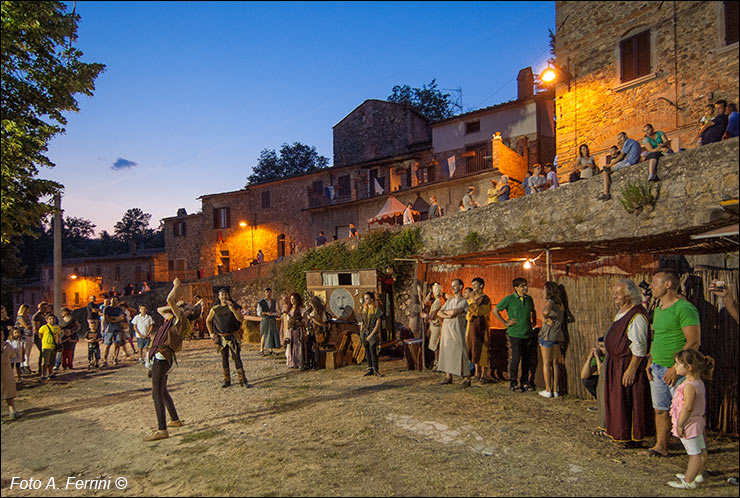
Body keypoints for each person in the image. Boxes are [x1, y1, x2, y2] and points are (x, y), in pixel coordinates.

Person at [639, 269, 701, 458]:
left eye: (655, 282)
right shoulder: (659, 309)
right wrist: (650, 360)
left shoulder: (684, 308)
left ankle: (696, 454)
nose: (651, 286)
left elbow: (693, 342)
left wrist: (676, 368)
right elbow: (657, 337)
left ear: (668, 285)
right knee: (660, 409)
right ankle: (661, 446)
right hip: (657, 367)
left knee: (683, 411)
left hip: (677, 370)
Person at [601, 279, 653, 445]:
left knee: (629, 400)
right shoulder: (623, 312)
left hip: (627, 363)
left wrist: (631, 370)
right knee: (618, 401)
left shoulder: (636, 316)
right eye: (614, 292)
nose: (615, 296)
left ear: (630, 295)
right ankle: (620, 432)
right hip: (615, 363)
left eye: (619, 292)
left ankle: (633, 436)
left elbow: (639, 346)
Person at [144, 278, 189, 442]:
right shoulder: (172, 320)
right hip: (162, 357)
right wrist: (176, 305)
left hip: (162, 357)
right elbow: (160, 309)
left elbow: (169, 300)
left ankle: (162, 429)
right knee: (162, 391)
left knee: (156, 392)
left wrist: (176, 287)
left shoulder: (181, 320)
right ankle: (175, 420)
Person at [666, 349, 714, 489]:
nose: (675, 367)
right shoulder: (697, 382)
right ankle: (697, 474)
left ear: (688, 367)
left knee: (694, 454)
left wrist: (680, 424)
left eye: (677, 364)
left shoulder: (689, 387)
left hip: (689, 423)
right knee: (701, 449)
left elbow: (687, 408)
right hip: (697, 422)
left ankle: (688, 481)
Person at [494, 278, 536, 392]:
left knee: (526, 359)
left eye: (526, 285)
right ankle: (513, 383)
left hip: (527, 333)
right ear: (516, 288)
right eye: (522, 286)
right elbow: (495, 310)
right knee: (516, 358)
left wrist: (534, 321)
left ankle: (525, 382)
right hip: (515, 333)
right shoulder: (510, 299)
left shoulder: (529, 299)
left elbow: (533, 310)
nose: (525, 288)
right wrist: (505, 322)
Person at [206, 288, 251, 388]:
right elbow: (208, 320)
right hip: (221, 338)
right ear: (219, 296)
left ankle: (242, 380)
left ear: (228, 296)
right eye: (222, 294)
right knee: (224, 358)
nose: (224, 296)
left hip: (233, 336)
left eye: (225, 294)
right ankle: (227, 380)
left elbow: (240, 319)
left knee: (236, 357)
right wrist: (211, 333)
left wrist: (232, 310)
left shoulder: (234, 307)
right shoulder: (215, 309)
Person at [436, 279, 471, 387]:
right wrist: (448, 315)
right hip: (447, 329)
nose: (452, 288)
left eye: (455, 286)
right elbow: (439, 312)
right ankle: (448, 376)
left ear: (460, 287)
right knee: (447, 351)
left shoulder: (463, 301)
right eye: (452, 286)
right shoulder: (450, 301)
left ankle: (466, 378)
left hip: (457, 330)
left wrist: (447, 313)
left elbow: (455, 312)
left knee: (460, 351)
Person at [538, 282, 566, 398]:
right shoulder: (561, 304)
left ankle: (548, 389)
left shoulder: (550, 302)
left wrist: (545, 319)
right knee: (555, 363)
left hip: (548, 335)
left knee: (546, 363)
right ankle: (555, 390)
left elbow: (545, 312)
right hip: (558, 335)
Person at [597, 132, 641, 201]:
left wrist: (609, 165)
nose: (620, 140)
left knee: (605, 172)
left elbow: (621, 156)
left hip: (629, 162)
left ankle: (606, 192)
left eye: (621, 137)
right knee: (606, 171)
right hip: (631, 161)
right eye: (618, 139)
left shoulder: (628, 141)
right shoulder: (633, 142)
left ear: (626, 136)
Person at [466, 278, 494, 384]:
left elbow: (480, 312)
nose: (473, 287)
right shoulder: (471, 298)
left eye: (475, 284)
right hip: (472, 327)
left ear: (481, 286)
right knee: (473, 348)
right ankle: (477, 374)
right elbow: (468, 313)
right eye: (472, 284)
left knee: (483, 350)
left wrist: (473, 303)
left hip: (481, 328)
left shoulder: (485, 299)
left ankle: (484, 375)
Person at [360, 292, 383, 377]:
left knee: (373, 351)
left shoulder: (377, 310)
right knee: (367, 351)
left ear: (372, 299)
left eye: (367, 298)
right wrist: (361, 330)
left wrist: (371, 335)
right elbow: (362, 321)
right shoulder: (364, 310)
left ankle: (375, 369)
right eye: (365, 298)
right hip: (364, 333)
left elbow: (378, 325)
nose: (365, 300)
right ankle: (370, 368)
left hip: (372, 333)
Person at [581, 337, 606, 416]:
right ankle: (601, 404)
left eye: (602, 346)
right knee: (587, 381)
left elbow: (602, 373)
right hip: (604, 381)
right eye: (599, 346)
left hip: (612, 382)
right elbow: (584, 375)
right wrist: (590, 357)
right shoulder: (599, 356)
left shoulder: (611, 357)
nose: (599, 349)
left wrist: (598, 358)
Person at [305, 296, 330, 371]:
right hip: (310, 331)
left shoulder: (321, 312)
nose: (310, 304)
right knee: (308, 347)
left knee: (316, 349)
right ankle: (308, 363)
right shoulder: (310, 310)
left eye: (312, 303)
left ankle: (316, 365)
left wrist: (312, 319)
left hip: (317, 332)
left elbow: (323, 323)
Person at [424, 283, 444, 370]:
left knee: (435, 345)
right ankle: (436, 363)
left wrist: (425, 316)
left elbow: (432, 316)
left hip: (436, 326)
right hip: (433, 325)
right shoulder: (435, 301)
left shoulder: (438, 302)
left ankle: (437, 363)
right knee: (433, 345)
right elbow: (425, 302)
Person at [102, 297, 126, 367]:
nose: (114, 302)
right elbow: (106, 318)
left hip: (118, 329)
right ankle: (105, 359)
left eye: (116, 300)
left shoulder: (119, 309)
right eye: (113, 300)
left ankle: (115, 358)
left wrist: (113, 318)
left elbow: (122, 317)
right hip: (109, 329)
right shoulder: (107, 309)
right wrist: (116, 319)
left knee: (117, 344)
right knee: (107, 344)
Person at [257, 288, 280, 356]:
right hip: (265, 319)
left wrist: (273, 314)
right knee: (264, 333)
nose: (268, 294)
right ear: (265, 293)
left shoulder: (274, 301)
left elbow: (277, 311)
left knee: (272, 334)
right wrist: (266, 313)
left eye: (269, 292)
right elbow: (259, 312)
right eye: (267, 292)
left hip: (272, 319)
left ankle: (271, 350)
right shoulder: (261, 302)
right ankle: (261, 349)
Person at [2, 336, 20, 419]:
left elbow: (12, 355)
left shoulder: (7, 345)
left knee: (8, 390)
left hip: (6, 371)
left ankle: (12, 410)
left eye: (1, 333)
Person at [38, 314, 60, 380]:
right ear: (47, 320)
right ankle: (43, 375)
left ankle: (50, 373)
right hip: (46, 346)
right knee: (45, 362)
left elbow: (58, 336)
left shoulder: (57, 327)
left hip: (54, 346)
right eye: (50, 319)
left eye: (53, 319)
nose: (52, 320)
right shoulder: (44, 327)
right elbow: (40, 335)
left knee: (52, 361)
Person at [285, 293, 304, 369]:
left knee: (297, 346)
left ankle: (298, 362)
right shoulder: (289, 309)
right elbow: (287, 320)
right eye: (291, 299)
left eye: (294, 299)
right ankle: (291, 361)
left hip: (297, 330)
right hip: (290, 329)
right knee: (290, 345)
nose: (292, 301)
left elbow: (303, 319)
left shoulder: (300, 309)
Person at [31, 302, 50, 376]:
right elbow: (37, 328)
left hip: (46, 336)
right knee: (43, 353)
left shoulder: (45, 315)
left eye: (46, 308)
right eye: (44, 308)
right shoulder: (37, 316)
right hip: (39, 337)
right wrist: (41, 337)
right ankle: (41, 370)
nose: (45, 309)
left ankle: (45, 369)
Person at [15, 304, 33, 375]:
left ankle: (26, 364)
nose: (29, 310)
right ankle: (23, 365)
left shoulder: (28, 316)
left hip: (29, 334)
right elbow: (25, 326)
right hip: (23, 335)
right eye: (27, 309)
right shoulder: (20, 317)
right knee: (23, 351)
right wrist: (28, 326)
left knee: (28, 351)